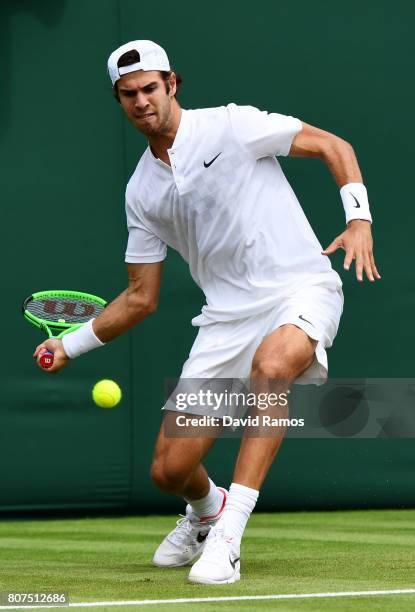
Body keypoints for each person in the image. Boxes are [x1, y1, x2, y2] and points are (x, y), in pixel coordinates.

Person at [33, 40, 380, 585]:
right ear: (119, 100)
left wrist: (358, 219)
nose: (142, 101)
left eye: (150, 88)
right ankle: (207, 509)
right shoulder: (141, 193)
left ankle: (230, 535)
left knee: (273, 367)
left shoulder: (231, 126)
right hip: (225, 320)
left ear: (173, 84)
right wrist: (69, 343)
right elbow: (139, 298)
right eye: (129, 94)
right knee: (169, 470)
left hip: (299, 288)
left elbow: (334, 146)